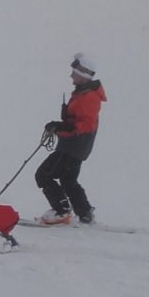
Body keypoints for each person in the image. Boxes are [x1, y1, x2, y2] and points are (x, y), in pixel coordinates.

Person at [35, 52, 107, 225]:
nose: (71, 75)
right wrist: (60, 126)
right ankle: (85, 213)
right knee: (68, 180)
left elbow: (85, 125)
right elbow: (78, 121)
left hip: (73, 147)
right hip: (76, 146)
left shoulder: (89, 97)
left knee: (43, 175)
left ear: (83, 74)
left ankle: (62, 212)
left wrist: (60, 127)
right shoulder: (84, 93)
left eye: (74, 72)